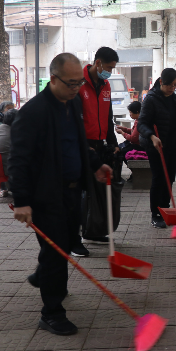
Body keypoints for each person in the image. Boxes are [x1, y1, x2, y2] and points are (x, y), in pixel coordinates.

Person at [10, 53, 111, 335]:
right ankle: (52, 313)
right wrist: (22, 202)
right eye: (71, 83)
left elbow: (78, 142)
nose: (77, 88)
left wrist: (95, 165)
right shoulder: (33, 112)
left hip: (72, 190)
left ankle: (43, 277)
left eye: (80, 82)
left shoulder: (74, 102)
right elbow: (18, 160)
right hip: (45, 196)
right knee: (56, 254)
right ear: (53, 79)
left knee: (64, 245)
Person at [79, 46, 119, 245]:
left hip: (99, 144)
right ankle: (76, 238)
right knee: (81, 190)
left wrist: (113, 143)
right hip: (82, 145)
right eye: (109, 67)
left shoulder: (105, 86)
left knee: (95, 190)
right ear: (98, 63)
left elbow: (108, 116)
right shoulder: (79, 83)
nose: (110, 72)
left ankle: (92, 230)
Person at [137, 68, 176, 228]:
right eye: (170, 85)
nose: (172, 88)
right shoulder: (151, 98)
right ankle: (156, 213)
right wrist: (152, 136)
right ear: (161, 82)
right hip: (155, 145)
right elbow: (141, 124)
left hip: (171, 144)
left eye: (175, 85)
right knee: (159, 178)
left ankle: (165, 208)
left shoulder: (175, 99)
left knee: (170, 177)